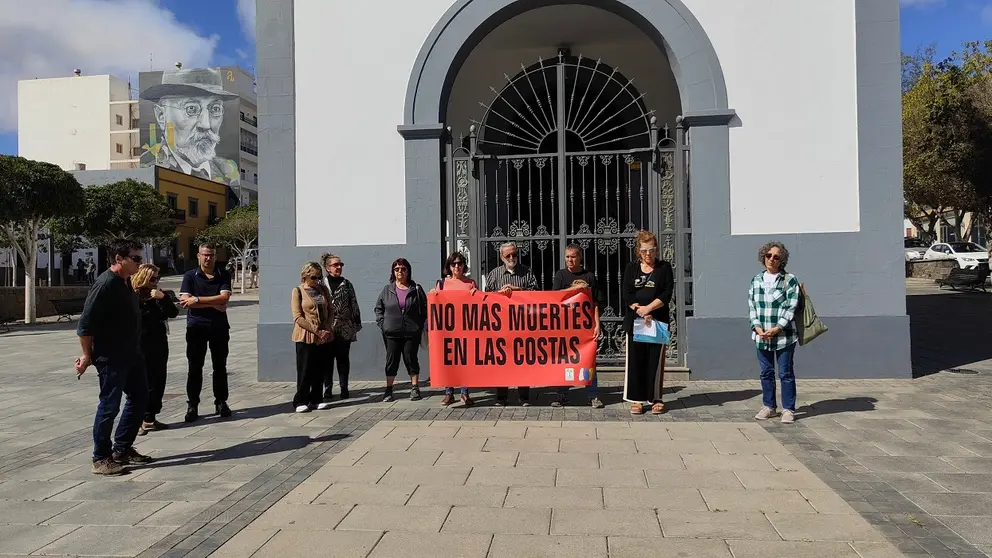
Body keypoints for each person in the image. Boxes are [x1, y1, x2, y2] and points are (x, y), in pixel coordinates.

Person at [75, 240, 152, 476]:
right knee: (109, 406)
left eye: (140, 258)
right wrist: (87, 355)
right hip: (111, 356)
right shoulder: (105, 284)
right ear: (119, 259)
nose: (140, 263)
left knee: (140, 398)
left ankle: (123, 449)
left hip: (132, 354)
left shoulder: (126, 281)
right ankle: (101, 458)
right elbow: (85, 325)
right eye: (136, 259)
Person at [139, 66, 240, 186]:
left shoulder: (228, 172)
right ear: (161, 115)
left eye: (215, 109)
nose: (206, 124)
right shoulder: (148, 169)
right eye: (191, 108)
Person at [622, 231, 674, 415]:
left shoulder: (664, 268)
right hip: (636, 321)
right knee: (636, 361)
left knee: (655, 361)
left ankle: (655, 398)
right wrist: (639, 310)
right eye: (644, 251)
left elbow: (667, 293)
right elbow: (627, 293)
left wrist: (649, 309)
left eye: (651, 250)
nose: (648, 254)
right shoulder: (631, 268)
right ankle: (637, 400)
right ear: (638, 251)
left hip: (657, 322)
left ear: (656, 249)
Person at [179, 243, 233, 422]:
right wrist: (211, 303)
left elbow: (224, 298)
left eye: (211, 255)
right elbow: (185, 301)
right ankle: (192, 404)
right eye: (205, 255)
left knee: (220, 366)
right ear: (198, 256)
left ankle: (221, 402)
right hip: (196, 327)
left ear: (216, 256)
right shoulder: (190, 276)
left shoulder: (222, 274)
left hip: (219, 328)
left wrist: (197, 300)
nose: (208, 258)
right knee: (195, 367)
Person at [749, 241, 802, 424]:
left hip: (783, 335)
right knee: (766, 372)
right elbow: (752, 307)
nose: (771, 259)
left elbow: (791, 307)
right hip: (761, 334)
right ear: (763, 257)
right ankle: (769, 406)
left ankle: (788, 409)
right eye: (768, 255)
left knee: (785, 373)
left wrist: (777, 328)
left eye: (776, 257)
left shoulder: (789, 280)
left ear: (782, 260)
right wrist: (757, 327)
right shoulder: (756, 280)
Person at [484, 242, 539, 406]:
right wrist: (499, 294)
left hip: (522, 325)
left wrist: (517, 290)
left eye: (514, 255)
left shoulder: (526, 272)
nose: (511, 258)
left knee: (522, 361)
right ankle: (501, 397)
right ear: (501, 257)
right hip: (501, 327)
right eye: (508, 255)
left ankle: (524, 397)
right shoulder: (494, 275)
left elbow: (536, 294)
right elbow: (486, 298)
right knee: (502, 362)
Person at [551, 244, 604, 408]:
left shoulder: (589, 276)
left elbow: (595, 303)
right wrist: (575, 289)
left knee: (589, 361)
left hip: (585, 326)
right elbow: (554, 297)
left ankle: (593, 395)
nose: (569, 260)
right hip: (565, 326)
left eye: (573, 256)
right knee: (564, 360)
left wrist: (597, 324)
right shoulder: (560, 275)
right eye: (567, 257)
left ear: (580, 258)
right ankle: (562, 394)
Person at [131, 264, 179, 435]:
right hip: (140, 344)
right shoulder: (133, 296)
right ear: (143, 277)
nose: (155, 281)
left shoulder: (158, 294)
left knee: (158, 380)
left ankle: (150, 417)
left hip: (159, 343)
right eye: (152, 278)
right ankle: (137, 420)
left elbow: (173, 312)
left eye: (157, 278)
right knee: (142, 383)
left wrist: (162, 297)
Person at [374, 258, 428, 402]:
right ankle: (389, 390)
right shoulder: (387, 290)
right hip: (392, 332)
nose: (400, 271)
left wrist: (418, 325)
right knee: (392, 360)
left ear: (408, 271)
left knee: (411, 358)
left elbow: (425, 308)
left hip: (411, 332)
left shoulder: (416, 288)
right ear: (393, 272)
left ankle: (415, 388)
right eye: (397, 269)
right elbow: (378, 308)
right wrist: (383, 324)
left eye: (403, 269)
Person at [429, 252, 477, 407]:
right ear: (449, 266)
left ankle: (464, 392)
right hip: (447, 330)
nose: (457, 266)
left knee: (465, 361)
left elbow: (477, 305)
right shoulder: (442, 284)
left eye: (460, 263)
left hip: (466, 329)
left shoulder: (470, 283)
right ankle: (448, 393)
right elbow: (435, 304)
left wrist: (475, 294)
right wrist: (433, 295)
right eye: (454, 264)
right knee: (449, 360)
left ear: (464, 265)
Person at [292, 262, 335, 413]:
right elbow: (298, 317)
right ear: (305, 276)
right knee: (305, 369)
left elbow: (330, 310)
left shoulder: (323, 290)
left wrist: (328, 328)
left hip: (323, 336)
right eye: (314, 277)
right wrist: (317, 330)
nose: (317, 280)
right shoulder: (298, 291)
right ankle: (300, 400)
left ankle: (316, 398)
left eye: (319, 277)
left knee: (319, 368)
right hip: (305, 336)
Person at [321, 253, 361, 400]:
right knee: (327, 360)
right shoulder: (321, 284)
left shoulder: (347, 284)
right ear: (327, 268)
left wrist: (356, 324)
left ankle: (344, 387)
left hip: (344, 327)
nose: (339, 267)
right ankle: (328, 388)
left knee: (343, 359)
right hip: (327, 327)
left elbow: (354, 304)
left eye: (341, 265)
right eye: (335, 265)